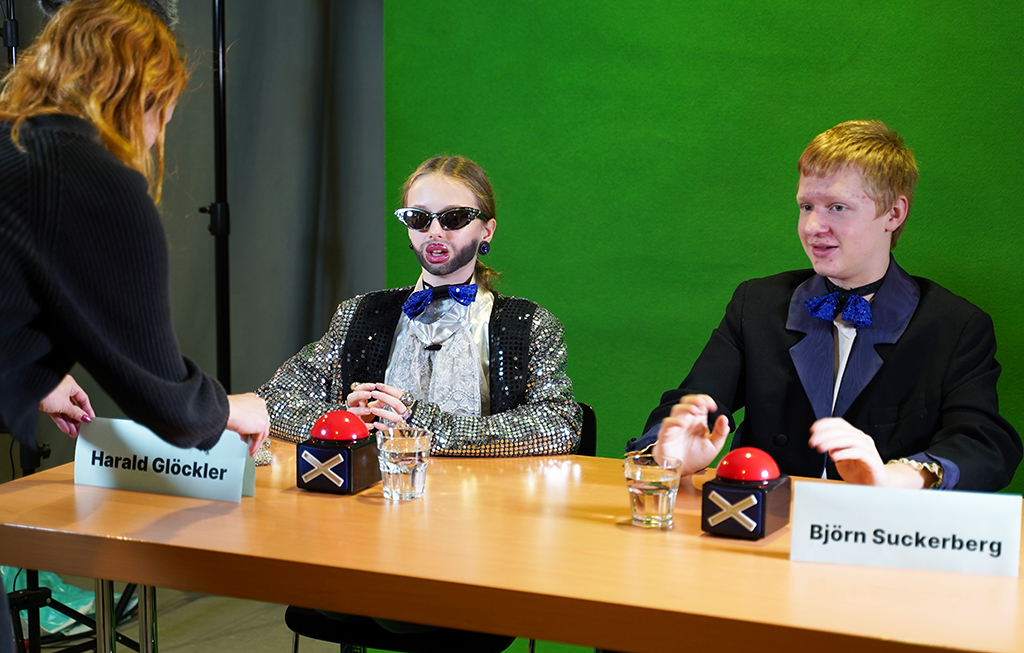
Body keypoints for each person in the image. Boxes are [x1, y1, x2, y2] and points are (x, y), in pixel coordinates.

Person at [0, 1, 271, 646]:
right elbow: (166, 401)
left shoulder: (11, 146)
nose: (159, 133)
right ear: (141, 94)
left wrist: (33, 375)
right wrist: (230, 409)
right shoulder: (87, 179)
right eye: (163, 112)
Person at [635, 120, 1021, 491]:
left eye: (837, 207)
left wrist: (895, 478)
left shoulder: (955, 325)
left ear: (893, 213)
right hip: (767, 520)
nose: (812, 227)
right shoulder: (757, 303)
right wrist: (667, 454)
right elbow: (691, 404)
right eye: (806, 206)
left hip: (879, 527)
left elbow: (983, 444)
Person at [257, 155, 581, 460]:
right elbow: (270, 400)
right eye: (419, 218)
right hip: (376, 494)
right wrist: (345, 421)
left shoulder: (530, 325)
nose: (435, 232)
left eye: (454, 218)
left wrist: (429, 428)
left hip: (487, 497)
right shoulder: (358, 314)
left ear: (487, 230)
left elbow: (561, 423)